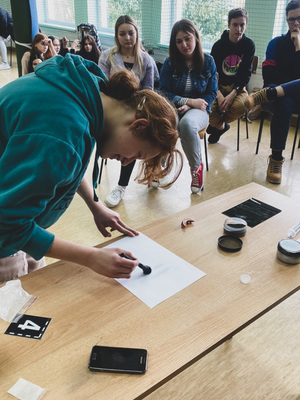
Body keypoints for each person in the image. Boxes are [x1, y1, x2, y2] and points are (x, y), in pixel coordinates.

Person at [0, 53, 182, 283]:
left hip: (23, 219)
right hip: (8, 231)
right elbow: (7, 225)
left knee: (38, 280)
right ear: (138, 125)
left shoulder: (90, 92)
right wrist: (91, 257)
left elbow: (61, 164)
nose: (126, 161)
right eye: (137, 154)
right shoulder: (62, 130)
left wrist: (95, 205)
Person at [99, 15, 154, 208]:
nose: (127, 38)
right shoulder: (107, 56)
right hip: (112, 110)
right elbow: (101, 86)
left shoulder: (146, 60)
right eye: (122, 34)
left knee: (137, 134)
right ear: (116, 36)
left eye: (131, 33)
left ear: (136, 34)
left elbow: (149, 92)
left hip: (136, 111)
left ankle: (122, 186)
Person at [159, 19, 218, 193]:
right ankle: (160, 165)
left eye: (188, 38)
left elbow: (211, 93)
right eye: (179, 41)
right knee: (165, 123)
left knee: (187, 124)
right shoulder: (170, 63)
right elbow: (163, 92)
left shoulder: (208, 61)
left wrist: (192, 107)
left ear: (196, 38)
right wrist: (188, 102)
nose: (184, 44)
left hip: (200, 110)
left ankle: (196, 169)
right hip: (176, 107)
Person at [255, 0, 300, 184]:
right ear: (286, 21)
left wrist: (298, 48)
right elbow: (268, 75)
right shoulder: (275, 44)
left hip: (275, 92)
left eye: (299, 18)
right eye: (291, 20)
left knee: (282, 95)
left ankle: (264, 96)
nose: (295, 23)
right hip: (275, 97)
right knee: (284, 102)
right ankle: (276, 159)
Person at [207, 8, 255, 144]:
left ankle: (215, 124)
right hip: (217, 86)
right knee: (206, 107)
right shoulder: (218, 46)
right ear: (228, 25)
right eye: (235, 24)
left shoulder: (249, 45)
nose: (239, 29)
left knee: (244, 104)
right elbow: (211, 73)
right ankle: (221, 126)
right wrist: (218, 94)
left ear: (246, 25)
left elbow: (246, 73)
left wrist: (234, 93)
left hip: (237, 87)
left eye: (242, 25)